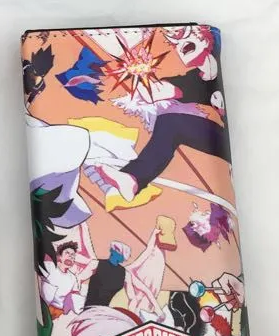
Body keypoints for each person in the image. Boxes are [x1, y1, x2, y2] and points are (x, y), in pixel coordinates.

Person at [95, 26, 230, 203]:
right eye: (175, 43)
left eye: (184, 36)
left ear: (205, 40)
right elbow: (156, 92)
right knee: (172, 124)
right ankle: (133, 179)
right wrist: (137, 70)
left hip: (237, 140)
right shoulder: (191, 81)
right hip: (220, 141)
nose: (180, 45)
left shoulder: (220, 72)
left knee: (173, 123)